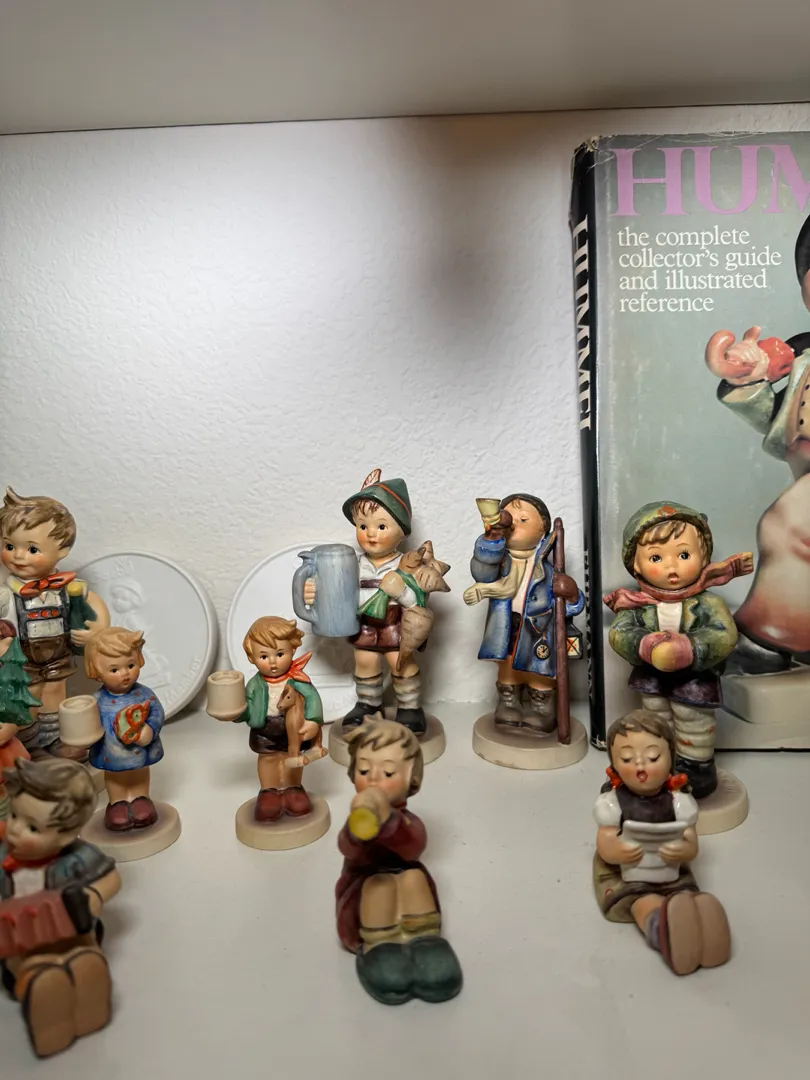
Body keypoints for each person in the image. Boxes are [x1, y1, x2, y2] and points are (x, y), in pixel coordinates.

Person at [704, 213, 810, 668]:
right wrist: (749, 379)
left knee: (789, 524)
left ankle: (769, 635)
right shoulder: (801, 354)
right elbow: (773, 417)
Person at [604, 501, 752, 798]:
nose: (671, 567)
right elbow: (619, 633)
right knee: (656, 719)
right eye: (656, 557)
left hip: (694, 681)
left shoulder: (709, 603)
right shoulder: (637, 604)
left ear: (703, 557)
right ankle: (661, 762)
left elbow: (724, 634)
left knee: (693, 721)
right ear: (636, 565)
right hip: (653, 679)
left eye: (684, 555)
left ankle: (696, 768)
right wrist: (645, 645)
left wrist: (689, 648)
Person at [303, 469, 445, 735]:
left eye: (381, 527)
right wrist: (316, 593)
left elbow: (418, 601)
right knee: (365, 661)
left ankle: (410, 708)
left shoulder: (406, 564)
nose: (371, 534)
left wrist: (400, 591)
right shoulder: (352, 563)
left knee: (399, 663)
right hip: (365, 622)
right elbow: (337, 591)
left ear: (402, 532)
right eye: (362, 526)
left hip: (394, 622)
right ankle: (368, 704)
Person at [593, 709, 731, 976]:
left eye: (653, 757)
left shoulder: (680, 802)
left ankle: (701, 924)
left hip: (669, 869)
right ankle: (662, 931)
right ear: (614, 764)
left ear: (671, 759)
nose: (641, 766)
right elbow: (605, 844)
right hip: (627, 874)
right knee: (641, 901)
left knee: (682, 897)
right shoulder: (612, 803)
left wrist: (683, 850)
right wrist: (619, 851)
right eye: (627, 759)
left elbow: (691, 844)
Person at [336, 718, 462, 1005]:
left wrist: (389, 821)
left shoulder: (407, 821)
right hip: (365, 888)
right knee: (378, 885)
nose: (373, 779)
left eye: (388, 772)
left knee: (413, 878)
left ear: (411, 779)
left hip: (405, 879)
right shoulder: (357, 818)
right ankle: (380, 945)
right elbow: (349, 849)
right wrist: (359, 829)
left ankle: (425, 940)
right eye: (364, 770)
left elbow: (412, 848)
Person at [0, 758, 121, 1057]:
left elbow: (111, 879)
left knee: (82, 948)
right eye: (14, 816)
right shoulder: (4, 859)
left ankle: (86, 986)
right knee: (26, 963)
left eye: (32, 827)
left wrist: (92, 897)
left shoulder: (77, 858)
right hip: (21, 941)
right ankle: (46, 1002)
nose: (15, 830)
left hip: (71, 931)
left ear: (66, 836)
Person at [0, 488, 109, 758]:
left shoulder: (68, 588)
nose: (18, 556)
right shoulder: (6, 594)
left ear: (62, 550)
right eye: (9, 546)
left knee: (55, 693)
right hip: (21, 660)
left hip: (58, 656)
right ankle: (28, 744)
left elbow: (95, 604)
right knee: (28, 697)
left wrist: (97, 631)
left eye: (32, 549)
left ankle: (54, 740)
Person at [463, 493, 583, 733]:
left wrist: (571, 595)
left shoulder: (548, 572)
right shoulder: (499, 564)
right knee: (508, 668)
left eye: (524, 520)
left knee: (539, 670)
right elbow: (482, 573)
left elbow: (570, 608)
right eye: (510, 518)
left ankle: (541, 708)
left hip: (539, 630)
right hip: (506, 625)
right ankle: (509, 702)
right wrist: (492, 538)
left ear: (543, 530)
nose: (514, 524)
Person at [234, 616, 323, 822]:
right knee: (268, 759)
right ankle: (269, 791)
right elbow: (246, 707)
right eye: (264, 656)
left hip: (292, 727)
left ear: (293, 650)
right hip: (264, 728)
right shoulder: (255, 685)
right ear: (251, 657)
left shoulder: (298, 680)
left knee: (293, 757)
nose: (273, 662)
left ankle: (293, 788)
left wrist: (313, 720)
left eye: (280, 654)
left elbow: (313, 699)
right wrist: (236, 712)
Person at [84, 627, 166, 832]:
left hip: (141, 750)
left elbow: (157, 713)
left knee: (140, 773)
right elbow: (88, 723)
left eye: (130, 665)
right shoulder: (97, 700)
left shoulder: (144, 694)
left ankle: (141, 799)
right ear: (97, 673)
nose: (125, 674)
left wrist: (150, 729)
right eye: (114, 670)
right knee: (116, 777)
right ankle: (118, 803)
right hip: (112, 752)